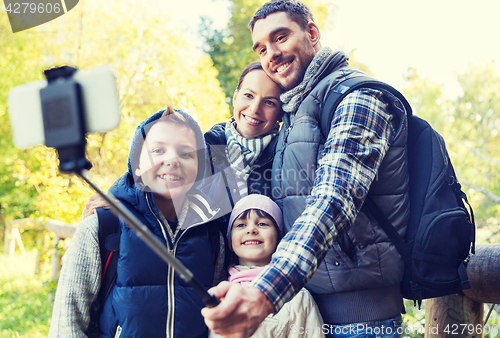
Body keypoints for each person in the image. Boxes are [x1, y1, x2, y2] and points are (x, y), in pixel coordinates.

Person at [202, 1, 410, 337]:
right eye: (261, 47)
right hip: (305, 315)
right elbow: (233, 144)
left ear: (312, 33)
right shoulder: (294, 114)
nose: (271, 53)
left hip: (361, 322)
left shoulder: (358, 97)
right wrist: (123, 195)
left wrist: (263, 294)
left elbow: (333, 200)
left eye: (280, 37)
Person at [48, 107, 227, 338]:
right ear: (137, 164)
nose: (171, 160)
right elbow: (67, 326)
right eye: (158, 150)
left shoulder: (213, 236)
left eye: (186, 153)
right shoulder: (101, 227)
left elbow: (218, 322)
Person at [83, 61, 283, 218]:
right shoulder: (202, 148)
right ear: (236, 96)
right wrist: (119, 201)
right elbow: (152, 178)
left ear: (281, 112)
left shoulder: (285, 156)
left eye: (269, 102)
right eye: (248, 95)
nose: (255, 108)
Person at [210, 194, 324, 338]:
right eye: (241, 225)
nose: (251, 230)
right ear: (230, 239)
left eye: (262, 224)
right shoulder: (218, 292)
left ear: (278, 237)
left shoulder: (297, 297)